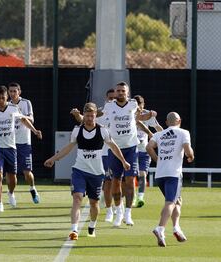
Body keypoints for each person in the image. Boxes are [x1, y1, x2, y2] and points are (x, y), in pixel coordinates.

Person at [45, 102, 130, 240]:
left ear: (96, 115)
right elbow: (68, 147)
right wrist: (53, 159)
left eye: (92, 115)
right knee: (77, 198)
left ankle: (92, 225)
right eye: (87, 116)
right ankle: (74, 230)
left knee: (94, 203)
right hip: (79, 170)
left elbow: (114, 147)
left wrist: (123, 161)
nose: (90, 118)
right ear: (83, 116)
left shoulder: (103, 130)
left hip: (96, 173)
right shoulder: (77, 130)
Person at [101, 82, 156, 227]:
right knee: (115, 181)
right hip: (114, 148)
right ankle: (118, 212)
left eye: (123, 91)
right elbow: (98, 116)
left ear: (127, 92)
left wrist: (149, 115)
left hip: (131, 147)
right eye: (118, 91)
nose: (120, 93)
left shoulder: (132, 104)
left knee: (131, 180)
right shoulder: (109, 106)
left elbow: (139, 117)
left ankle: (128, 213)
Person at [146, 112, 194, 247]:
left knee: (177, 201)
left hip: (160, 174)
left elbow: (149, 147)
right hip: (174, 173)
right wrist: (191, 156)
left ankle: (176, 228)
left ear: (166, 122)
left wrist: (157, 160)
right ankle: (160, 228)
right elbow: (187, 149)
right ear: (180, 121)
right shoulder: (183, 132)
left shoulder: (159, 134)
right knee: (170, 202)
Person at [0, 86, 42, 212]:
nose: (1, 100)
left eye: (3, 98)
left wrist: (35, 130)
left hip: (14, 146)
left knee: (19, 174)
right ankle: (0, 203)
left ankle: (27, 188)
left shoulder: (17, 107)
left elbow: (24, 120)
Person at [70, 88, 116, 223]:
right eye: (110, 98)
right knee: (106, 183)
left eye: (115, 97)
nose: (112, 100)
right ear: (106, 99)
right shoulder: (101, 111)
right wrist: (77, 116)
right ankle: (109, 211)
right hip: (100, 154)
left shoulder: (123, 110)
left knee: (116, 182)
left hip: (113, 151)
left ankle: (118, 209)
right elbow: (84, 121)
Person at [8, 82, 40, 203]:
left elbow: (31, 119)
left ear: (19, 92)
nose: (12, 93)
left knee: (27, 172)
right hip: (10, 143)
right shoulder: (6, 105)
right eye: (10, 91)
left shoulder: (26, 103)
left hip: (24, 143)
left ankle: (32, 189)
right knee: (11, 173)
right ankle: (11, 194)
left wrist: (20, 116)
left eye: (14, 91)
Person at [134, 95, 163, 208]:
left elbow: (157, 127)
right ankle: (130, 197)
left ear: (143, 105)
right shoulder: (128, 113)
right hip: (130, 149)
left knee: (142, 174)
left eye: (139, 107)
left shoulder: (148, 114)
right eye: (136, 107)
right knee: (130, 176)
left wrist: (166, 136)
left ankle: (140, 197)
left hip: (144, 149)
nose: (138, 109)